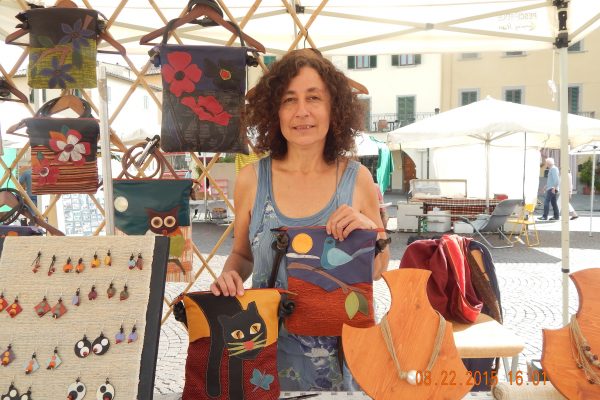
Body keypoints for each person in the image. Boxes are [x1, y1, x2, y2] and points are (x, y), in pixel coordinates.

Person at [210, 48, 390, 391]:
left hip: (344, 358)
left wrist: (369, 232)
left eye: (314, 98)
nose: (302, 111)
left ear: (333, 108)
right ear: (274, 110)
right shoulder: (251, 180)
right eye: (289, 100)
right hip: (266, 356)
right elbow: (243, 255)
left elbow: (379, 268)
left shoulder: (358, 179)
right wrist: (229, 277)